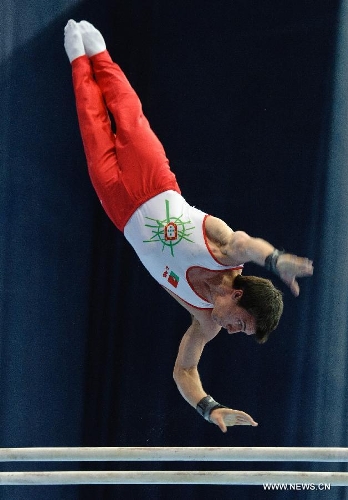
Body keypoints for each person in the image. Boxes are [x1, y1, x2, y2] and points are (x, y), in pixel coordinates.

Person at [64, 20, 313, 432]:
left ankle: (77, 60)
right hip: (154, 180)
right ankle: (101, 56)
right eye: (241, 323)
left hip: (123, 215)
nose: (232, 331)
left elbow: (184, 370)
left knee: (93, 129)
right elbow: (250, 245)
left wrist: (209, 407)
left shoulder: (206, 321)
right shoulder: (226, 252)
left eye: (239, 331)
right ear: (237, 294)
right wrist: (278, 258)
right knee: (127, 115)